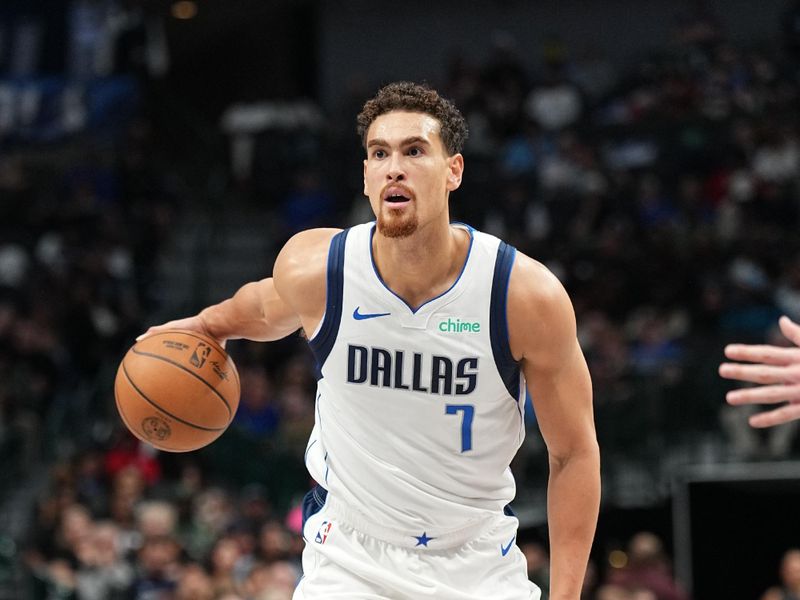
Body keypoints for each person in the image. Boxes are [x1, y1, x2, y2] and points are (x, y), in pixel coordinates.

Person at [139, 81, 600, 599]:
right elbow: (263, 307)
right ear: (365, 176)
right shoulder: (322, 269)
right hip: (349, 561)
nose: (394, 167)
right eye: (379, 153)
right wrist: (208, 324)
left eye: (414, 151)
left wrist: (565, 597)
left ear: (455, 171)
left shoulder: (522, 296)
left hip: (475, 561)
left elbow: (574, 455)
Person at [719, 315, 800, 428]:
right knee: (733, 415)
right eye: (777, 341)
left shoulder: (793, 362)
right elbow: (747, 386)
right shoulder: (760, 361)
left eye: (783, 341)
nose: (780, 344)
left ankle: (776, 445)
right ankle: (747, 445)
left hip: (787, 404)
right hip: (756, 404)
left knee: (791, 416)